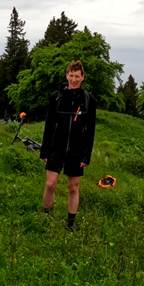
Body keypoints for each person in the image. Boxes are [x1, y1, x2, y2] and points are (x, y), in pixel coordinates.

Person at [40, 60, 96, 229]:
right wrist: (44, 151)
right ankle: (46, 218)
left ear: (82, 77)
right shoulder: (56, 97)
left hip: (77, 150)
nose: (73, 79)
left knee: (73, 187)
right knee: (50, 184)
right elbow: (49, 125)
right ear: (66, 76)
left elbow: (91, 130)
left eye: (77, 76)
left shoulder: (88, 100)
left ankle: (70, 224)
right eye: (71, 75)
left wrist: (87, 155)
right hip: (56, 147)